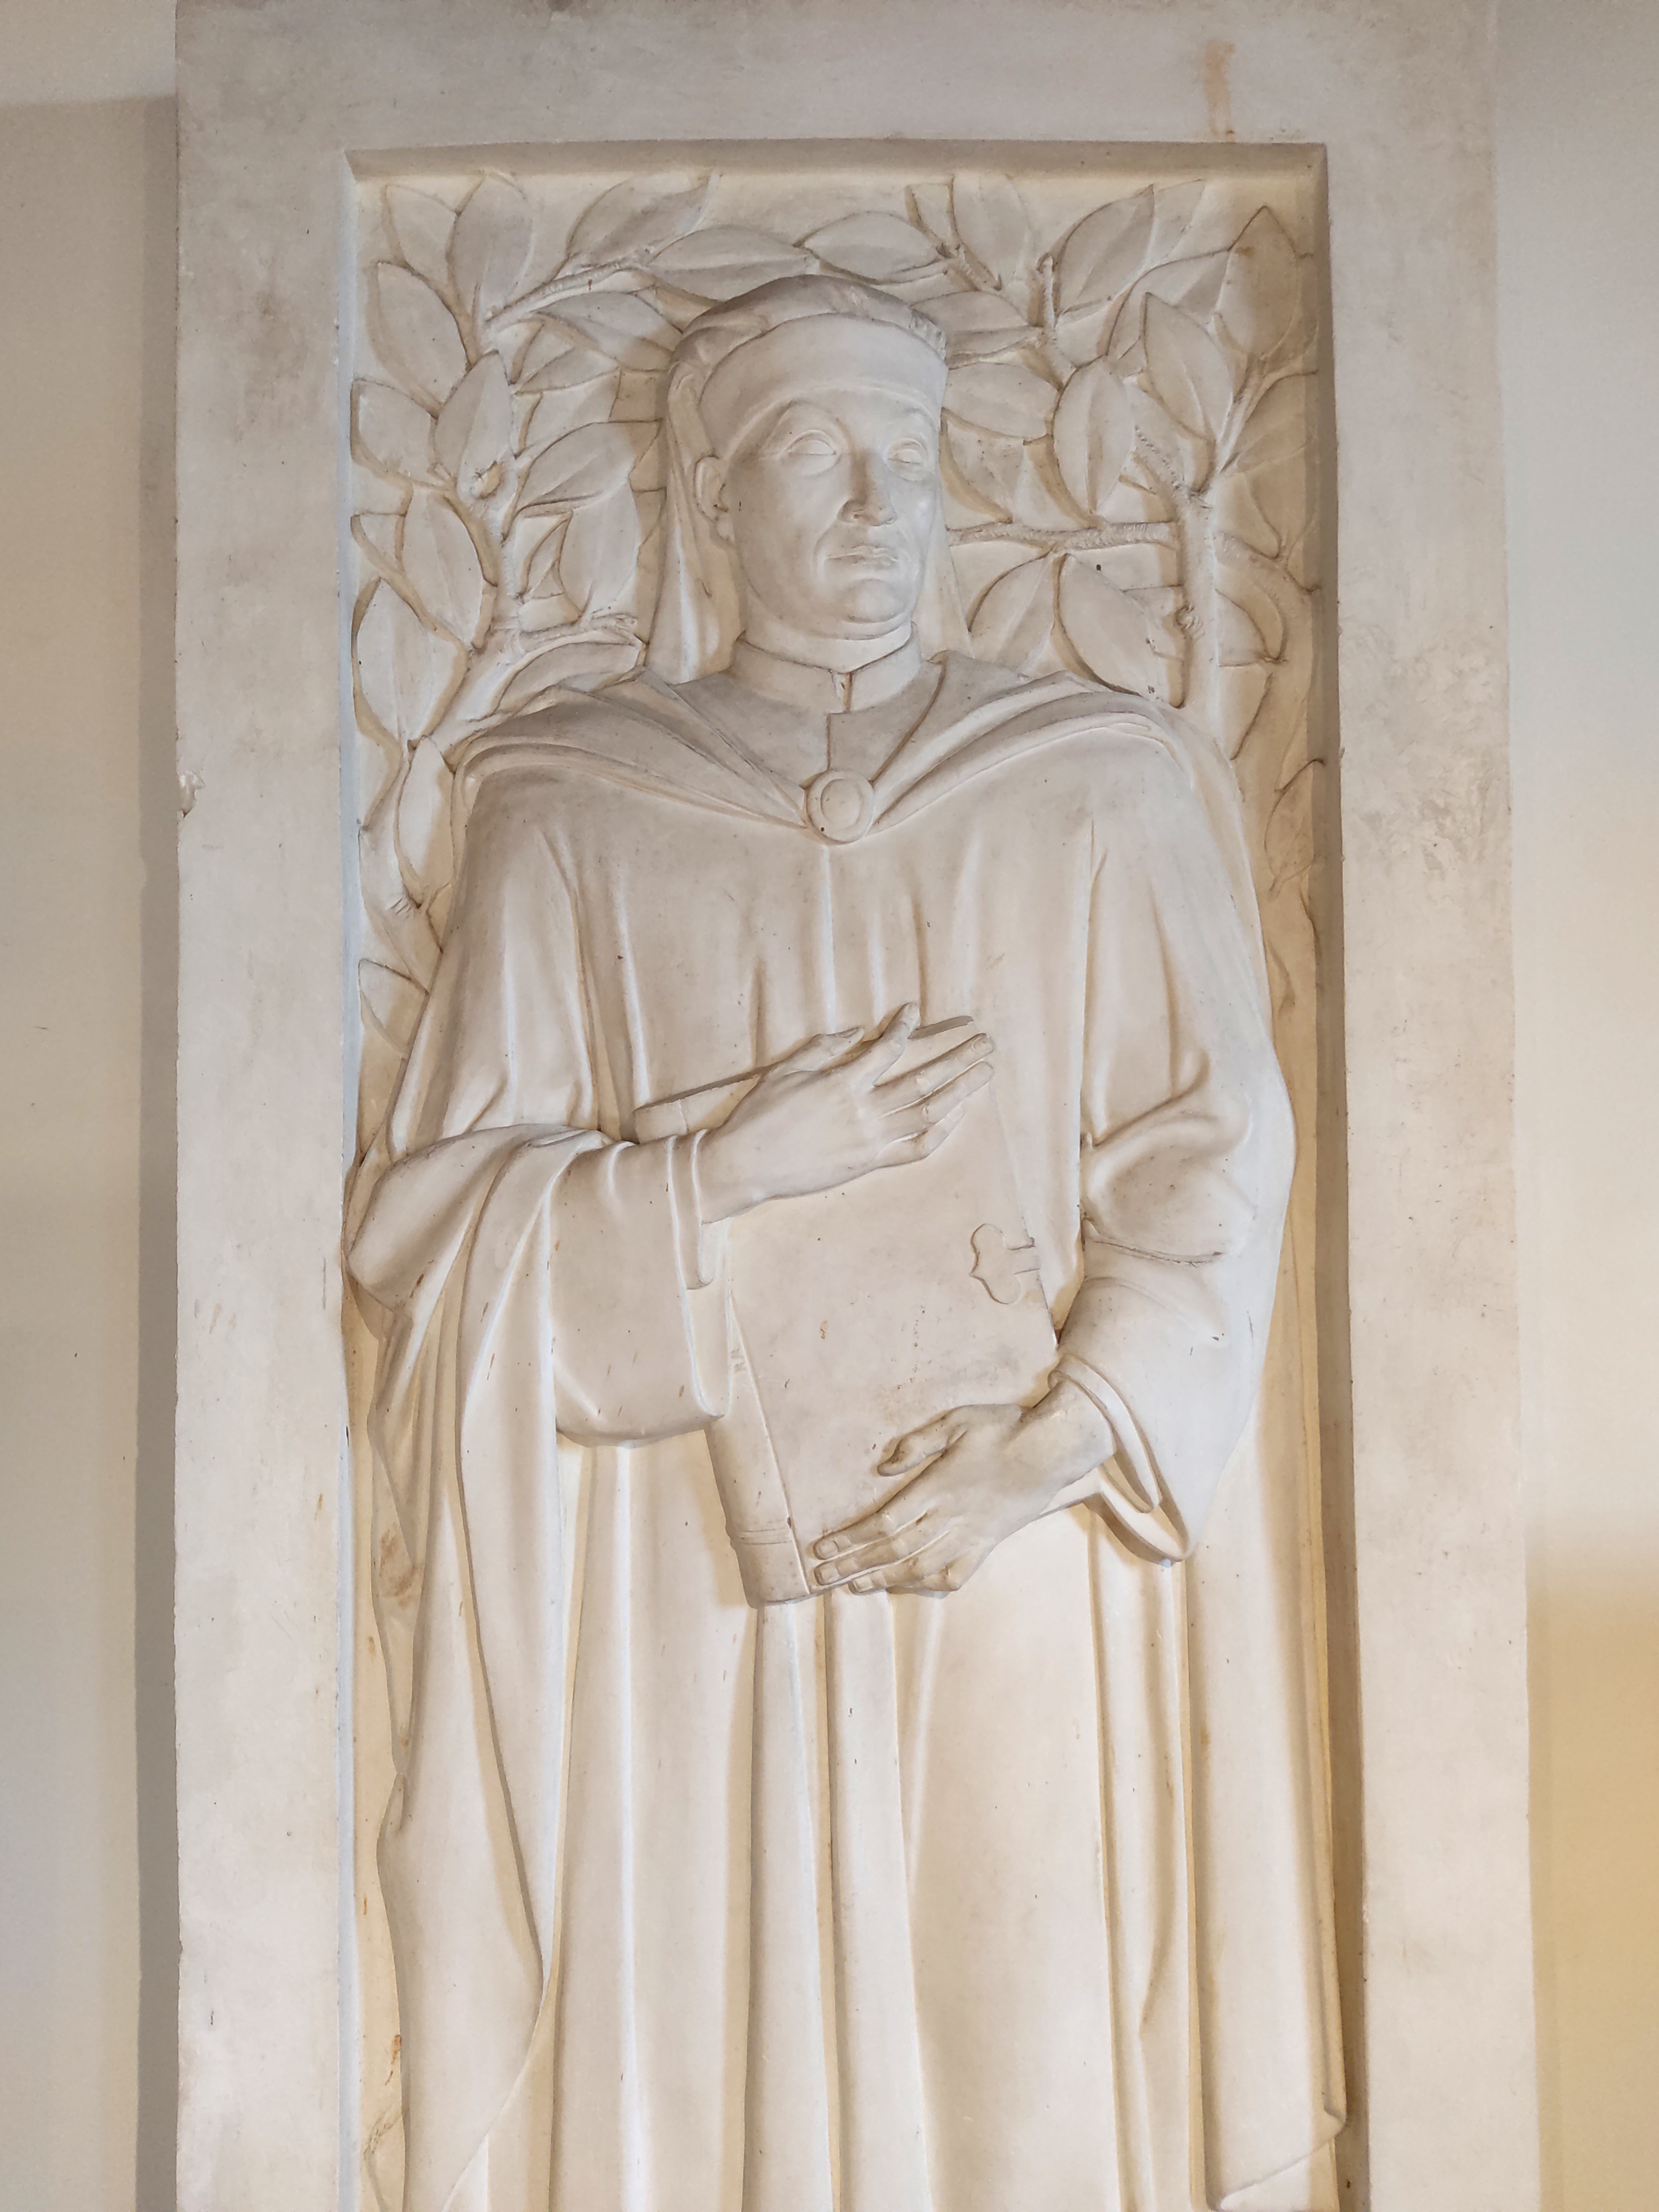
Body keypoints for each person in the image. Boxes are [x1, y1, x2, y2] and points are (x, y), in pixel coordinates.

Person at [349, 273, 1342, 2212]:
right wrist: (718, 1170)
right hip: (691, 1574)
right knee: (718, 2062)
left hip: (1032, 1543)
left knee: (1022, 2036)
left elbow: (1215, 1157)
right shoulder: (578, 811)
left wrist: (1050, 1451)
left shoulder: (1093, 783)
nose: (880, 505)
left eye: (909, 455)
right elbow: (425, 1241)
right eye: (818, 456)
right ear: (712, 504)